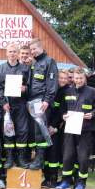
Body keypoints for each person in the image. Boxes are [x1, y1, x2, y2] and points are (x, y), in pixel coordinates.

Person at [56, 67, 95, 189]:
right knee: (67, 156)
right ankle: (66, 181)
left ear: (85, 78)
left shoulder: (92, 92)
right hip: (70, 129)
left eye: (81, 78)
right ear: (73, 79)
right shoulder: (67, 92)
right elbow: (61, 109)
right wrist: (63, 115)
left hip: (86, 130)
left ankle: (81, 183)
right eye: (76, 78)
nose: (79, 80)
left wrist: (92, 114)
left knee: (83, 158)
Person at [0, 43, 31, 169]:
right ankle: (9, 158)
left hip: (21, 105)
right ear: (6, 53)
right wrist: (3, 103)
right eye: (10, 51)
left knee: (22, 131)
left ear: (18, 53)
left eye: (15, 51)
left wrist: (25, 88)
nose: (12, 53)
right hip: (7, 106)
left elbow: (30, 86)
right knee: (8, 131)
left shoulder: (25, 69)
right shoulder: (0, 69)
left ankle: (20, 158)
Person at [28, 38, 58, 169]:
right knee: (34, 131)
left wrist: (47, 100)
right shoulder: (34, 63)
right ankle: (35, 159)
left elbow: (52, 83)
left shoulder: (49, 62)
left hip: (41, 102)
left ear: (41, 47)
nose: (33, 51)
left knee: (40, 131)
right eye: (31, 50)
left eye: (34, 49)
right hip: (32, 102)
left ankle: (39, 161)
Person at [43, 69, 69, 188]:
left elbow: (62, 112)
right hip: (46, 127)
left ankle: (53, 179)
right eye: (60, 78)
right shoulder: (52, 90)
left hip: (57, 129)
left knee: (54, 154)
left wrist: (55, 127)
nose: (62, 80)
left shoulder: (68, 92)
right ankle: (46, 178)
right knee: (46, 154)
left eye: (65, 78)